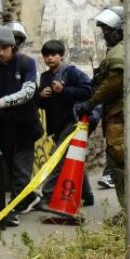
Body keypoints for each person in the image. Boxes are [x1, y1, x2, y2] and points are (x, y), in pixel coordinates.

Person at [0, 25, 43, 227]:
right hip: (3, 127)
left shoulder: (27, 63)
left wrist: (2, 101)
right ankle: (30, 197)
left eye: (4, 48)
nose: (0, 52)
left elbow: (28, 91)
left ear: (12, 46)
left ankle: (13, 210)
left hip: (26, 126)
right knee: (10, 166)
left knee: (21, 169)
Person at [34, 39, 94, 210]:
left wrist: (64, 90)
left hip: (73, 122)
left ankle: (47, 196)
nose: (49, 58)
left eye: (53, 55)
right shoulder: (45, 77)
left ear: (62, 56)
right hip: (57, 125)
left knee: (57, 158)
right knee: (71, 155)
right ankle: (87, 194)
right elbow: (43, 105)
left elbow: (88, 91)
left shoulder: (71, 72)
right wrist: (41, 96)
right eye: (46, 55)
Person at [76, 6, 126, 210]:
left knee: (121, 165)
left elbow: (114, 82)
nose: (105, 34)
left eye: (108, 30)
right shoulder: (118, 50)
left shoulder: (119, 53)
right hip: (115, 115)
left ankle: (129, 214)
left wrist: (90, 103)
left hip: (120, 117)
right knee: (117, 166)